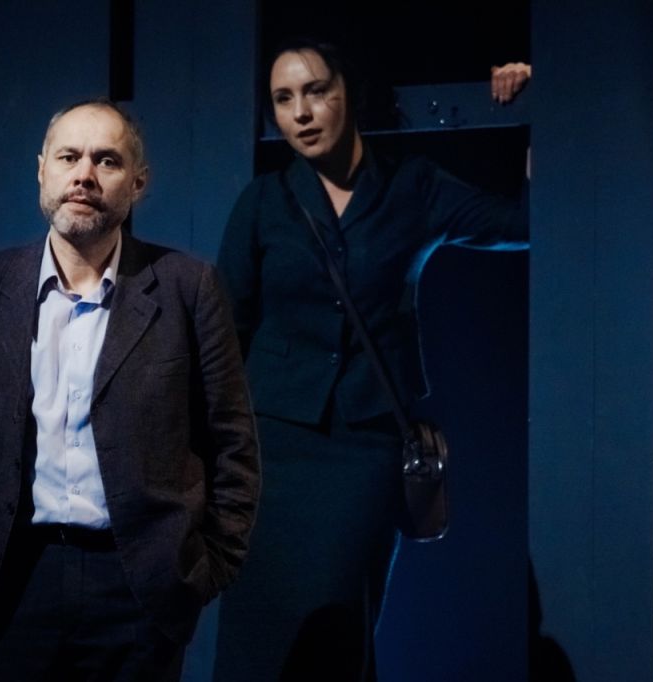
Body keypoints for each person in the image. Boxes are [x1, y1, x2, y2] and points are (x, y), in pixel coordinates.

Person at [0, 98, 260, 681]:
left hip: (138, 586)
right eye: (69, 157)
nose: (84, 175)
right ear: (42, 170)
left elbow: (233, 444)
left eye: (106, 160)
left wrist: (205, 569)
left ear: (138, 183)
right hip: (4, 583)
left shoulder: (187, 289)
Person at [212, 40, 529, 681]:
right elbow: (226, 331)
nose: (301, 113)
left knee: (339, 612)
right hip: (273, 446)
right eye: (283, 99)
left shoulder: (414, 188)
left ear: (348, 93)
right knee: (258, 625)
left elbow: (523, 223)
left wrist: (538, 106)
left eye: (316, 91)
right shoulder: (263, 201)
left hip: (366, 443)